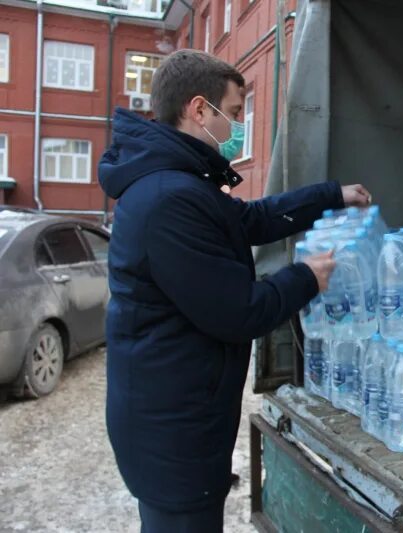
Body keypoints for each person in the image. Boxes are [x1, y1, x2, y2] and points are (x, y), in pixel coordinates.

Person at [98, 49, 371, 532]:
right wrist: (307, 276)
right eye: (236, 114)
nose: (238, 127)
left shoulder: (184, 183)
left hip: (180, 415)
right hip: (172, 431)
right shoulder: (168, 199)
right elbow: (238, 312)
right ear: (199, 110)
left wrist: (331, 195)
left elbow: (253, 219)